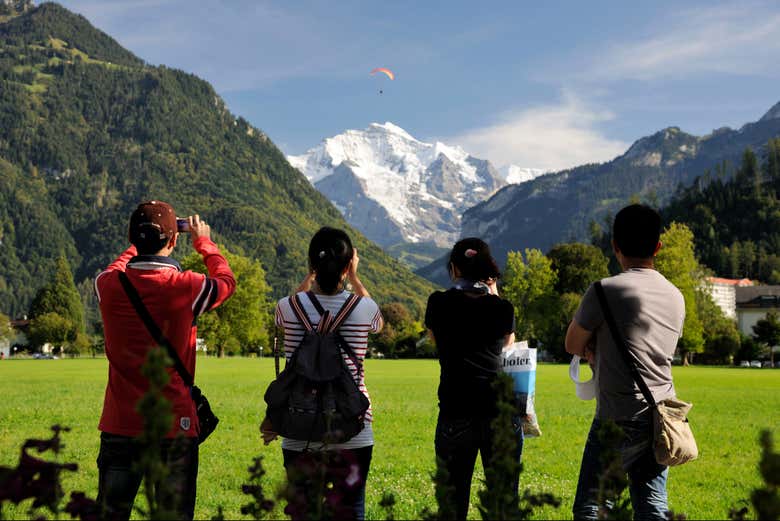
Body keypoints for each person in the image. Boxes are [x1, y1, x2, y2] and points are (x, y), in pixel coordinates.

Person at [94, 201, 236, 520]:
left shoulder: (108, 286)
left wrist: (137, 245)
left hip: (120, 424)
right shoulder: (187, 287)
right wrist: (204, 241)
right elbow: (227, 282)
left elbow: (116, 267)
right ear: (173, 241)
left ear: (131, 236)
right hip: (175, 426)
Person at [566, 204, 685, 521]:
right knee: (651, 507)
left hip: (615, 414)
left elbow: (572, 344)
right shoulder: (676, 296)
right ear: (658, 246)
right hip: (660, 414)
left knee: (591, 507)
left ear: (615, 245)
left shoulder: (603, 290)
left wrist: (594, 348)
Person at [261, 226, 383, 521]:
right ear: (347, 265)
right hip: (352, 426)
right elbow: (378, 325)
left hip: (298, 423)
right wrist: (354, 277)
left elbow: (292, 304)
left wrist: (310, 275)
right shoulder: (364, 307)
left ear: (311, 264)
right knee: (351, 510)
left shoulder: (287, 306)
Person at [424, 237, 520, 520]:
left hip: (456, 411)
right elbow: (507, 344)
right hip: (499, 413)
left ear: (453, 269)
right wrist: (493, 290)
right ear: (488, 270)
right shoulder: (503, 308)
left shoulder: (438, 303)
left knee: (452, 507)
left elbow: (434, 338)